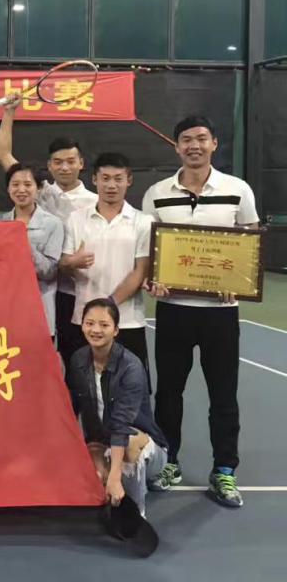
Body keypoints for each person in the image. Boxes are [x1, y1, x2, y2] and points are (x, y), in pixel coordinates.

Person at [141, 115, 259, 507]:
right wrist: (154, 279)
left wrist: (238, 280)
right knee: (169, 394)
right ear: (176, 146)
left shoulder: (238, 190)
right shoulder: (157, 193)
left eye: (201, 138)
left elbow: (250, 244)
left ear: (214, 144)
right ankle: (168, 461)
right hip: (173, 311)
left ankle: (224, 469)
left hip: (221, 314)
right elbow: (151, 251)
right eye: (187, 139)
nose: (194, 145)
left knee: (223, 395)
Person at [0, 97, 97, 342]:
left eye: (71, 162)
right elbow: (3, 154)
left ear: (81, 163)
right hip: (41, 292)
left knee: (76, 354)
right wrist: (9, 112)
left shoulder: (94, 202)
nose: (64, 168)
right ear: (49, 166)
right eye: (58, 162)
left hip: (79, 291)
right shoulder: (41, 190)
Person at [67, 298, 168, 516]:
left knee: (128, 447)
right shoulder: (78, 360)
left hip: (140, 445)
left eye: (104, 325)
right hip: (101, 441)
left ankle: (136, 515)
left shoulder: (131, 367)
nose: (95, 330)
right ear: (82, 325)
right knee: (91, 473)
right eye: (89, 323)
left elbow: (122, 426)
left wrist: (113, 477)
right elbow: (70, 410)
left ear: (115, 330)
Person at [60, 153, 152, 372]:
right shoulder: (76, 219)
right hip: (84, 322)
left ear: (129, 180)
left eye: (118, 179)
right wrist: (72, 262)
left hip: (127, 321)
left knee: (131, 386)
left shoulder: (143, 221)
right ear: (94, 179)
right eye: (105, 178)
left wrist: (107, 307)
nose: (111, 185)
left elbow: (140, 271)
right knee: (81, 387)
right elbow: (63, 264)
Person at [1, 163, 63, 333]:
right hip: (7, 311)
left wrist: (22, 242)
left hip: (40, 311)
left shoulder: (53, 224)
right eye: (15, 184)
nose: (21, 190)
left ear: (38, 188)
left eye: (28, 184)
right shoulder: (0, 224)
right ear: (8, 189)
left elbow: (50, 272)